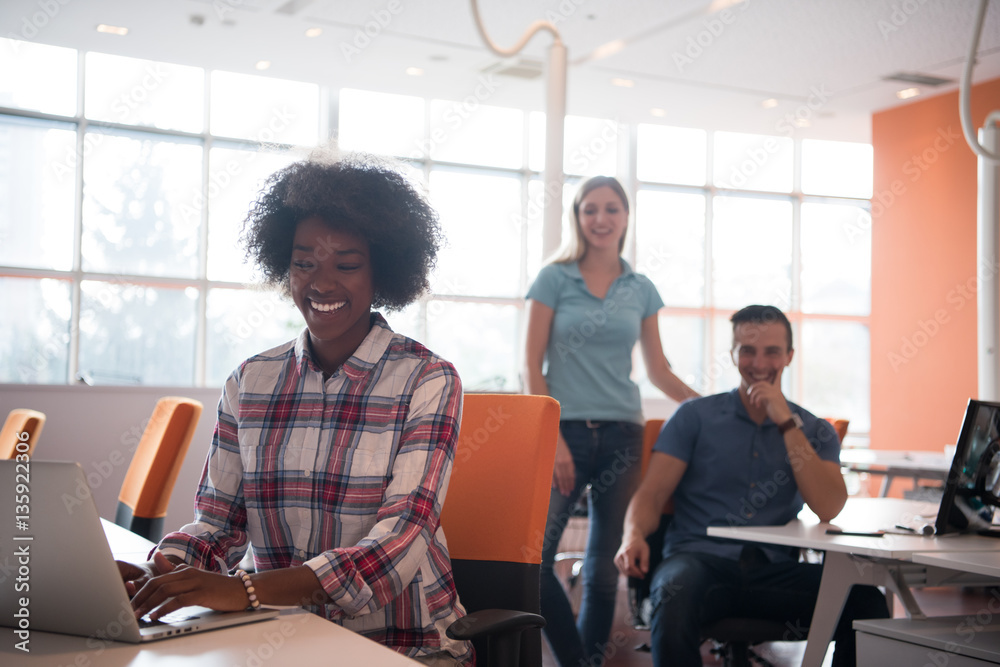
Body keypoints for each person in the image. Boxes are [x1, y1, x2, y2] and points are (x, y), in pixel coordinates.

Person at [117, 151, 473, 666]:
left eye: (346, 265)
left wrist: (246, 591)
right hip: (281, 640)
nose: (321, 284)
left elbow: (398, 542)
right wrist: (163, 569)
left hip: (403, 645)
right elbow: (219, 521)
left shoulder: (427, 380)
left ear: (384, 271)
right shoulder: (250, 381)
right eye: (303, 263)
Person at [614, 305, 889, 667]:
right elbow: (651, 494)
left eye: (772, 351)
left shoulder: (814, 430)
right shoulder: (694, 417)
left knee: (865, 600)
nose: (759, 363)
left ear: (789, 356)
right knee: (672, 594)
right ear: (733, 354)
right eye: (747, 350)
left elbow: (827, 507)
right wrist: (633, 535)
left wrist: (786, 423)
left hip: (774, 571)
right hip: (699, 562)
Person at [523, 175, 700, 666]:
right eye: (590, 210)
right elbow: (530, 365)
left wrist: (708, 403)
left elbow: (658, 371)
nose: (600, 219)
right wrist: (552, 436)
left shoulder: (641, 288)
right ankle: (577, 662)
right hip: (565, 432)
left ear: (625, 217)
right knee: (534, 563)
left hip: (623, 432)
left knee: (604, 571)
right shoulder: (553, 278)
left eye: (611, 210)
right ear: (578, 217)